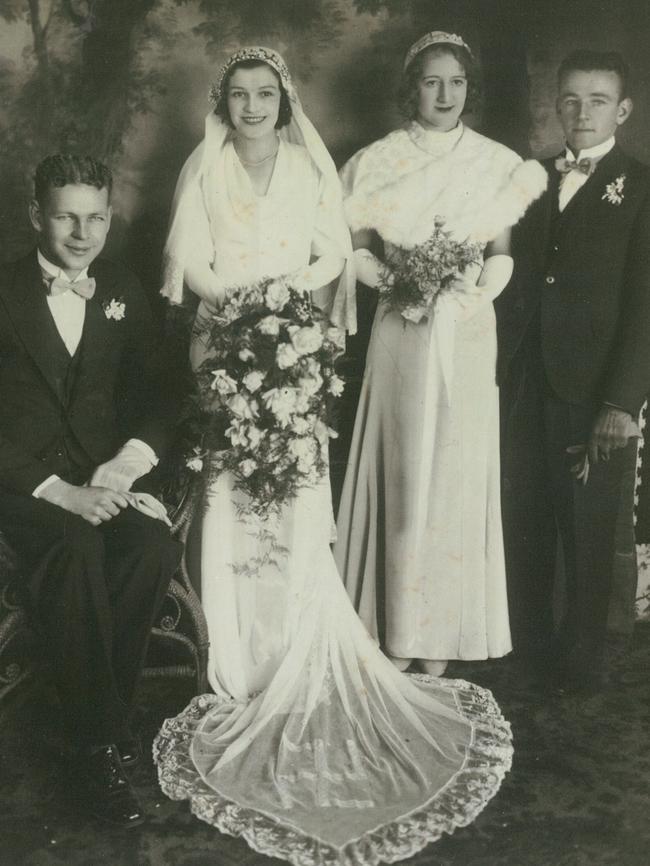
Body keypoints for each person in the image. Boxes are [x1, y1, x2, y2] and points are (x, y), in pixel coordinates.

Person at [154, 46, 514, 866]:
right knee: (231, 495)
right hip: (226, 339)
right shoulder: (202, 166)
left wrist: (282, 303)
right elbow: (188, 258)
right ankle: (237, 657)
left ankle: (295, 645)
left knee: (296, 495)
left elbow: (327, 251)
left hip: (293, 339)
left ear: (285, 102)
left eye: (266, 94)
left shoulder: (312, 169)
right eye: (240, 95)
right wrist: (238, 303)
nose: (253, 107)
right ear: (224, 103)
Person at [333, 32, 546, 676]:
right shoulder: (375, 161)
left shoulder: (495, 162)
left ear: (469, 89)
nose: (445, 94)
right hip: (401, 328)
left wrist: (472, 291)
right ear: (412, 88)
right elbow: (356, 250)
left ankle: (442, 639)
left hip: (467, 329)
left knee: (453, 477)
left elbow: (501, 252)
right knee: (402, 471)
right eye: (431, 81)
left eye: (455, 82)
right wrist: (400, 284)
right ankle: (393, 628)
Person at [0, 154, 182, 827]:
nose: (82, 232)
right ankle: (95, 743)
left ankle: (89, 720)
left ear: (109, 217)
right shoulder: (5, 289)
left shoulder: (123, 289)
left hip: (97, 479)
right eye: (65, 216)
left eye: (96, 217)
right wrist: (56, 490)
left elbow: (161, 395)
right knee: (75, 542)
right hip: (19, 484)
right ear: (35, 215)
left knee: (150, 545)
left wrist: (126, 465)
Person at [497, 49, 650, 692]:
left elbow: (646, 304)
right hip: (523, 381)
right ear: (554, 105)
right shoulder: (526, 177)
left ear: (622, 109)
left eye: (596, 100)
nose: (581, 113)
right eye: (570, 100)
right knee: (522, 519)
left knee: (587, 530)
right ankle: (527, 649)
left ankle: (581, 661)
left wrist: (621, 402)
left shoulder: (641, 186)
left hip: (592, 391)